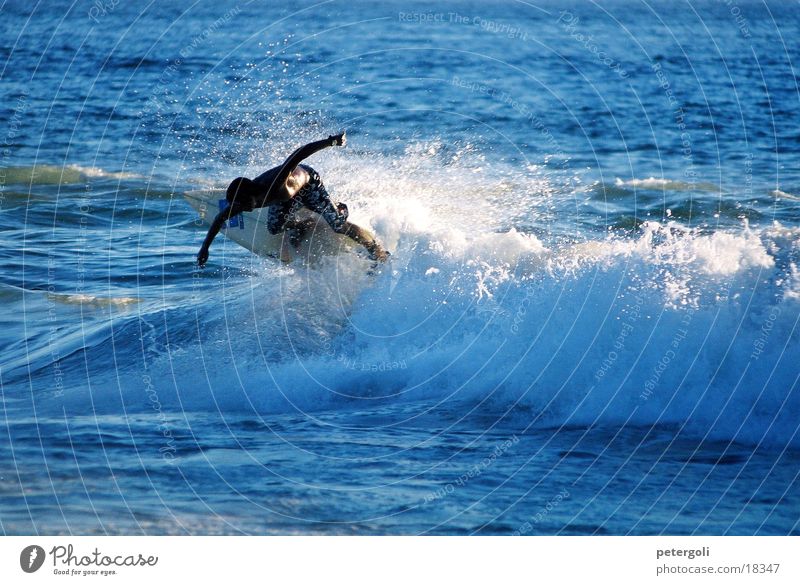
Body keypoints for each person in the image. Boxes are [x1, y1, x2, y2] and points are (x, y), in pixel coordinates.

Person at [196, 131, 389, 266]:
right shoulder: (244, 201)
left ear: (252, 194)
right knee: (274, 228)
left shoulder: (275, 182)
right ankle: (302, 225)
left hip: (308, 186)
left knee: (337, 225)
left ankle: (374, 247)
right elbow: (220, 218)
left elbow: (299, 154)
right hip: (286, 199)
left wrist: (331, 142)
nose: (244, 210)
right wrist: (204, 249)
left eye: (245, 204)